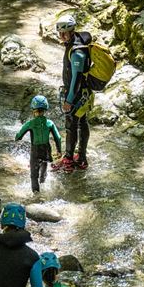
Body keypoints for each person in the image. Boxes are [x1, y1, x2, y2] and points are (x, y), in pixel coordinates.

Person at [51, 14, 93, 173]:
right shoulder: (76, 43)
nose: (61, 36)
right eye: (59, 33)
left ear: (72, 31)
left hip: (77, 94)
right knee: (82, 123)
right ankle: (81, 158)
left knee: (71, 125)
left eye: (64, 33)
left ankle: (69, 158)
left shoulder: (77, 52)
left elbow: (76, 78)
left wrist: (69, 100)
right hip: (83, 93)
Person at [15, 95, 63, 193]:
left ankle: (36, 194)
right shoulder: (50, 123)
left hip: (35, 150)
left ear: (33, 110)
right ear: (45, 109)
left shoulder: (30, 123)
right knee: (44, 168)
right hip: (46, 150)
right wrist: (59, 150)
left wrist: (17, 139)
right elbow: (58, 137)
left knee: (34, 175)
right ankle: (44, 185)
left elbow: (19, 135)